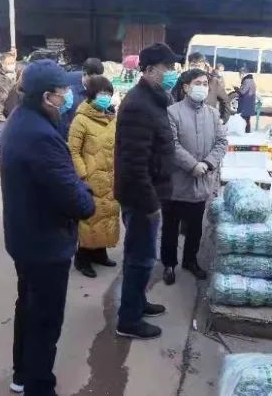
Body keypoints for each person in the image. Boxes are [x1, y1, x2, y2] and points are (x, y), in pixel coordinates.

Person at [0, 59, 95, 396]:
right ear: (46, 97)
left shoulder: (19, 119)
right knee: (45, 320)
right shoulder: (41, 136)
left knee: (28, 308)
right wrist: (87, 192)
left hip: (25, 238)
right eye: (63, 92)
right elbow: (78, 202)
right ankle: (39, 387)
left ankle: (22, 374)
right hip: (45, 244)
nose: (68, 97)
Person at [114, 43, 178, 340]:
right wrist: (151, 203)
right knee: (140, 258)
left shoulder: (153, 100)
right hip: (141, 197)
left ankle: (137, 302)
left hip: (149, 193)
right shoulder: (139, 104)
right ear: (150, 70)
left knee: (141, 255)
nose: (172, 74)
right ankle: (129, 320)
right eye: (168, 68)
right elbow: (133, 163)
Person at [161, 69, 228, 285]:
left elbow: (222, 142)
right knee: (170, 228)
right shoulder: (172, 112)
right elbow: (171, 144)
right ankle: (169, 264)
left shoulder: (213, 114)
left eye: (205, 84)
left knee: (195, 228)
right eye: (198, 83)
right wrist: (192, 165)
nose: (203, 87)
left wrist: (207, 163)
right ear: (186, 87)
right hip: (176, 184)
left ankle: (190, 260)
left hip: (201, 184)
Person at [68, 76, 119, 278]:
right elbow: (73, 151)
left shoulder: (111, 118)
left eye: (108, 93)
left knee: (107, 215)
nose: (105, 97)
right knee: (89, 219)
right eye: (102, 93)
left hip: (110, 177)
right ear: (91, 95)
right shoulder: (81, 119)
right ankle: (82, 259)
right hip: (90, 179)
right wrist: (83, 175)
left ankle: (100, 253)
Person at [62, 58, 105, 137]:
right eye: (94, 79)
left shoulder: (98, 89)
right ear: (85, 74)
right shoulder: (70, 97)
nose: (97, 83)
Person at [187, 52, 230, 123]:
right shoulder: (183, 81)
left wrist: (223, 119)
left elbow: (226, 100)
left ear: (204, 67)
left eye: (199, 65)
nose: (196, 68)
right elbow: (174, 100)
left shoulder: (213, 82)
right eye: (193, 65)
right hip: (187, 123)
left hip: (207, 123)